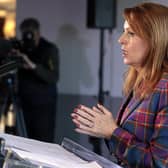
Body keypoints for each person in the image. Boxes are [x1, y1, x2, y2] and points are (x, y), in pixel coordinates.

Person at [71, 2, 168, 168]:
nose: (121, 40)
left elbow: (159, 163)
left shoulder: (165, 88)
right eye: (124, 32)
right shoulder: (139, 83)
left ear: (155, 40)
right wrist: (105, 130)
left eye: (131, 33)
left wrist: (112, 132)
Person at [16, 18, 59, 142]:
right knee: (23, 141)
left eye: (30, 34)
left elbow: (53, 77)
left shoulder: (49, 49)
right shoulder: (21, 49)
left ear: (38, 33)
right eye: (25, 34)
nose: (28, 37)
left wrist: (33, 66)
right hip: (24, 104)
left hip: (43, 107)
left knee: (42, 141)